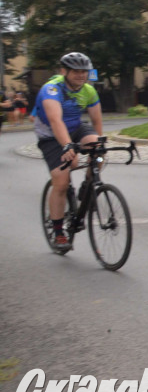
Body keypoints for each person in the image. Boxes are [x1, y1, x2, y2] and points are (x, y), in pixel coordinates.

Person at [35, 53, 103, 249]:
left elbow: (97, 121)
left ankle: (88, 186)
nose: (81, 75)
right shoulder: (52, 89)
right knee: (62, 181)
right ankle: (58, 233)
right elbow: (56, 121)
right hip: (50, 134)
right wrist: (67, 145)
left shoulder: (89, 91)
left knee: (99, 153)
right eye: (76, 72)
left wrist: (99, 148)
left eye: (84, 72)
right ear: (64, 72)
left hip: (75, 127)